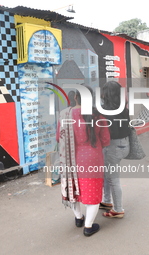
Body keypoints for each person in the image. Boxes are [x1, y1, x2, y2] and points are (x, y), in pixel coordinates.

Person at [56, 86, 110, 237]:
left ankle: (79, 218)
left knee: (73, 188)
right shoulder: (98, 116)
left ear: (75, 98)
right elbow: (106, 140)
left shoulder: (64, 114)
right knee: (92, 192)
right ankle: (88, 227)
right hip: (92, 159)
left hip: (70, 159)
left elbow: (58, 138)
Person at [99, 81, 130, 218]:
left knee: (113, 178)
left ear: (106, 93)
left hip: (113, 146)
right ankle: (106, 201)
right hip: (123, 144)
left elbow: (111, 132)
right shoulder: (123, 107)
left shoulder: (106, 110)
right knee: (108, 174)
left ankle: (118, 209)